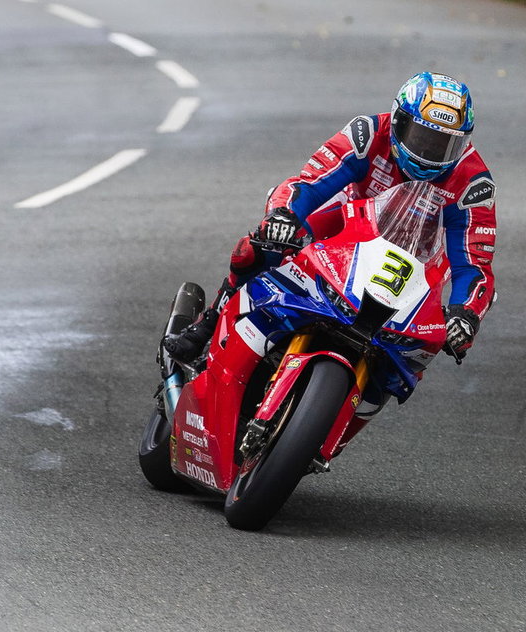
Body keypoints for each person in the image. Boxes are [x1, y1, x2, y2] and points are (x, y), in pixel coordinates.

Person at [162, 71, 496, 420]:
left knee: (415, 352)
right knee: (261, 244)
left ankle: (340, 417)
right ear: (398, 121)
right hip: (346, 231)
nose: (428, 153)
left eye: (444, 144)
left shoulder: (474, 184)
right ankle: (209, 323)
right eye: (421, 137)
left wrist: (465, 313)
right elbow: (309, 184)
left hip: (411, 269)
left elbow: (474, 265)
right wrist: (284, 215)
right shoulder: (368, 133)